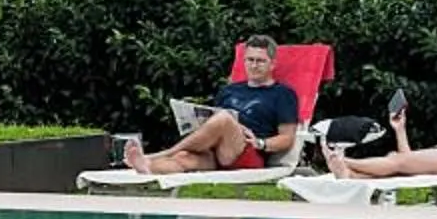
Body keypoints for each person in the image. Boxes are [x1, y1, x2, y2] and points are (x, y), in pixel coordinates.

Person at [119, 34, 305, 174]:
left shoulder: (283, 94)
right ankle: (148, 166)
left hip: (246, 153)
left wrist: (260, 143)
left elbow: (287, 138)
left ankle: (160, 154)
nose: (254, 65)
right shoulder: (230, 90)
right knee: (183, 159)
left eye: (260, 61)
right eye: (250, 60)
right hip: (216, 153)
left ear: (272, 64)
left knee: (224, 118)